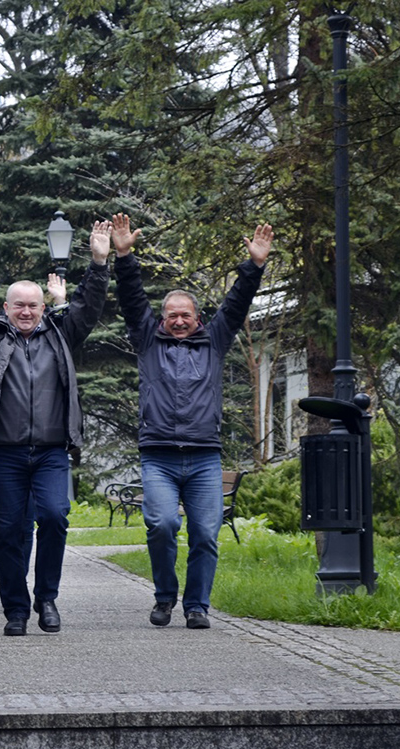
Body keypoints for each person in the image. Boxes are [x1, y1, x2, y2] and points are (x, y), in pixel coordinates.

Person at [110, 213, 273, 630]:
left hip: (203, 458)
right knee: (162, 525)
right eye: (171, 315)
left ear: (197, 318)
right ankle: (165, 597)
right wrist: (124, 255)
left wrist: (253, 267)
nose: (179, 320)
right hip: (159, 456)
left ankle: (197, 605)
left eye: (186, 315)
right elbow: (131, 298)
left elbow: (236, 304)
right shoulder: (148, 340)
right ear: (162, 319)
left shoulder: (214, 340)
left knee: (205, 533)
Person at [0, 216, 111, 636]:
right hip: (3, 452)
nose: (25, 311)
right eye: (18, 305)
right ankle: (16, 610)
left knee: (56, 517)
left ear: (43, 308)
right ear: (6, 308)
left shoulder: (61, 334)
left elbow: (89, 306)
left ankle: (47, 596)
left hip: (51, 451)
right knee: (7, 532)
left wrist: (98, 263)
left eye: (33, 305)